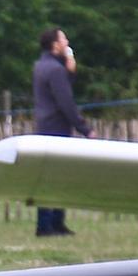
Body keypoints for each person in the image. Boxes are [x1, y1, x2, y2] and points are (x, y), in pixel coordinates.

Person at [31, 27, 94, 237]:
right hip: (57, 128)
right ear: (55, 44)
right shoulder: (55, 70)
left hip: (44, 126)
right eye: (63, 38)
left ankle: (53, 224)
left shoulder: (41, 66)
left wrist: (70, 67)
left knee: (50, 176)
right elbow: (66, 102)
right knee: (56, 178)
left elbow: (61, 87)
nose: (67, 41)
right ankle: (48, 225)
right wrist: (85, 129)